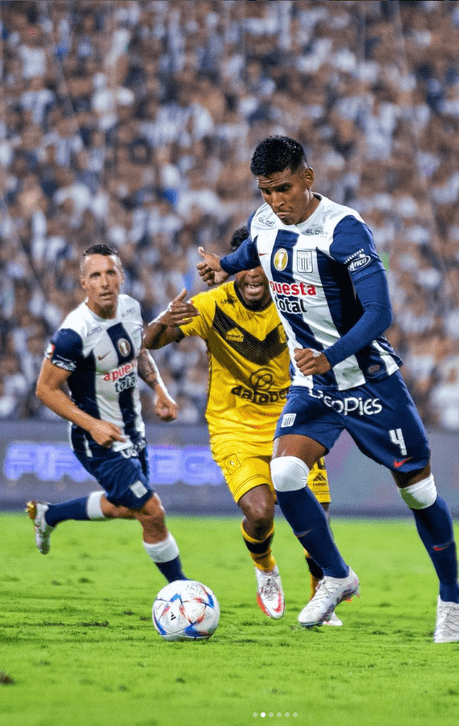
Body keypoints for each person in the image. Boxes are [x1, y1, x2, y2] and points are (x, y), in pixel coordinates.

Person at [197, 135, 459, 641]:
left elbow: (380, 313)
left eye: (284, 189)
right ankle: (337, 575)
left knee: (419, 493)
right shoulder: (263, 221)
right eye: (265, 191)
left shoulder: (344, 231)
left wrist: (329, 355)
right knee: (286, 471)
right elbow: (249, 252)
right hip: (314, 386)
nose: (276, 201)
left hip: (368, 383)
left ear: (308, 179)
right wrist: (222, 266)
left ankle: (450, 599)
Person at [144, 227, 341, 625]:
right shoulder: (212, 304)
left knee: (317, 514)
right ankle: (265, 567)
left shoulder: (293, 301)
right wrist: (165, 317)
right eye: (244, 265)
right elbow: (149, 341)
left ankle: (322, 596)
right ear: (233, 269)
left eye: (260, 265)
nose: (253, 274)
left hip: (290, 420)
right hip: (233, 424)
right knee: (260, 512)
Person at [27, 243, 188, 586]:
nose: (104, 282)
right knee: (152, 511)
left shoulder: (130, 308)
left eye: (110, 273)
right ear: (84, 282)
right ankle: (182, 591)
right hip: (95, 439)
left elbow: (139, 353)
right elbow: (45, 389)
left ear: (121, 277)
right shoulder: (74, 334)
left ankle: (49, 514)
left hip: (132, 430)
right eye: (95, 275)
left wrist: (159, 389)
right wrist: (92, 424)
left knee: (129, 507)